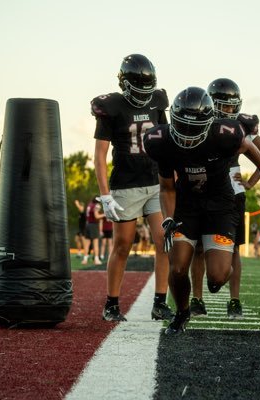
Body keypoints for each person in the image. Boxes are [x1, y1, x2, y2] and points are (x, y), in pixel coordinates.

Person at [144, 86, 260, 334]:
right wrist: (168, 218)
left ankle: (219, 272)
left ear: (208, 124)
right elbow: (167, 188)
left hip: (220, 204)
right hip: (186, 204)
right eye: (182, 127)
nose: (187, 136)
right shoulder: (160, 140)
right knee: (177, 267)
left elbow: (248, 146)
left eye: (193, 129)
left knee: (217, 278)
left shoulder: (223, 134)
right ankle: (182, 313)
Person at [92, 53, 174, 322]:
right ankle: (112, 303)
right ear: (124, 84)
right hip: (126, 184)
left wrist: (175, 176)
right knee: (123, 244)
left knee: (164, 240)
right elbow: (100, 155)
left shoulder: (158, 100)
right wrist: (105, 195)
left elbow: (167, 140)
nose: (144, 95)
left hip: (155, 182)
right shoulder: (111, 108)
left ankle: (160, 301)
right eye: (138, 89)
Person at [189, 78, 260, 319]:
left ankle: (234, 300)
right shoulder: (201, 120)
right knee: (197, 247)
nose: (229, 111)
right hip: (203, 189)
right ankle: (197, 299)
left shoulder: (243, 124)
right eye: (224, 106)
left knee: (234, 250)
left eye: (232, 106)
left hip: (229, 192)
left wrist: (249, 182)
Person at [82, 196, 104, 266]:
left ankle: (85, 259)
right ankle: (96, 259)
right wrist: (105, 214)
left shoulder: (89, 204)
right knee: (95, 243)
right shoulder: (96, 205)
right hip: (93, 225)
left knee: (87, 244)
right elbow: (96, 216)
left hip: (88, 225)